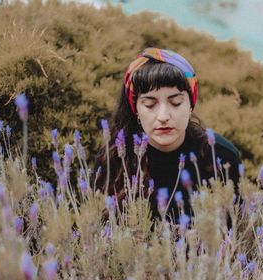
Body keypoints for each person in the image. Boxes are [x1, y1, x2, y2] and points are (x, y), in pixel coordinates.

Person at [95, 47, 242, 225]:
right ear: (136, 110)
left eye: (175, 102)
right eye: (149, 104)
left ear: (190, 105)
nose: (163, 116)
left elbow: (236, 226)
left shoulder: (221, 156)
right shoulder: (115, 157)